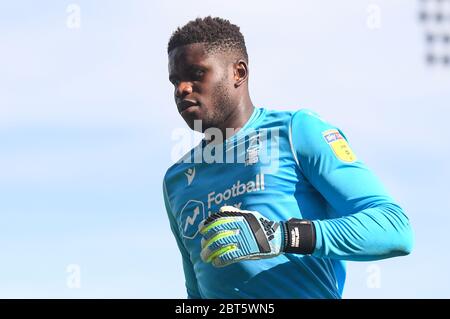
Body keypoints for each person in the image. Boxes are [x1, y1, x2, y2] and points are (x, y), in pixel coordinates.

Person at [162, 16, 413, 298]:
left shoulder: (296, 132)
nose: (181, 89)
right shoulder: (176, 181)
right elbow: (196, 291)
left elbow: (395, 229)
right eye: (175, 80)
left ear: (238, 73)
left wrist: (282, 235)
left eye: (196, 74)